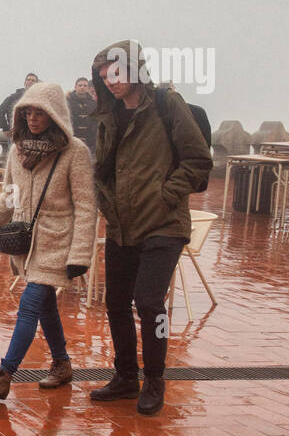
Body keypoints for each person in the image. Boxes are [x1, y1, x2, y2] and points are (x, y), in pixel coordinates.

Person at [88, 40, 212, 415]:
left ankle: (154, 378)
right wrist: (104, 200)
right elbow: (103, 170)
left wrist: (166, 194)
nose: (111, 81)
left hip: (163, 222)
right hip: (122, 224)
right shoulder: (108, 116)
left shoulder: (165, 104)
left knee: (150, 303)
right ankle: (125, 376)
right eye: (104, 74)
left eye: (118, 71)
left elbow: (198, 159)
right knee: (115, 303)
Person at [0, 82, 97, 399]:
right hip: (27, 245)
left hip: (58, 242)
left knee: (29, 305)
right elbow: (9, 199)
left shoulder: (75, 152)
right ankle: (62, 363)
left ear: (54, 115)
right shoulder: (18, 150)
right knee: (45, 307)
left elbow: (85, 206)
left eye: (40, 113)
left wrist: (80, 254)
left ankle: (4, 373)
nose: (33, 119)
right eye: (28, 112)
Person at [67, 76, 98, 153]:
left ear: (88, 88)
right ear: (75, 87)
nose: (82, 87)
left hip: (89, 141)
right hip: (71, 139)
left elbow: (95, 121)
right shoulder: (67, 101)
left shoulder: (93, 103)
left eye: (85, 86)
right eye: (80, 85)